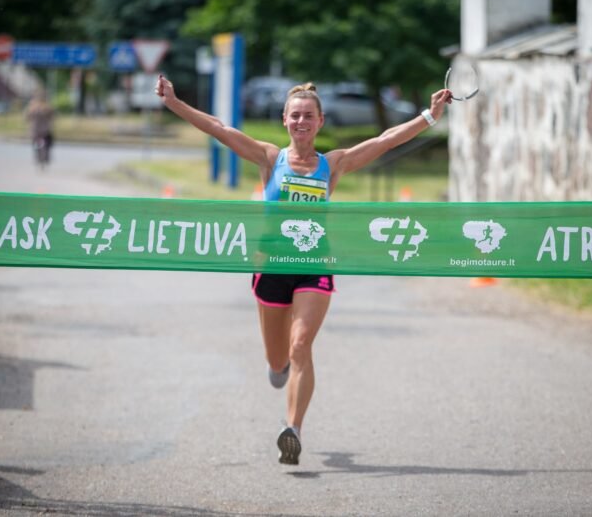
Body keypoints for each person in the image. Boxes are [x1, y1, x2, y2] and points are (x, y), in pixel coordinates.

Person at [155, 74, 452, 465]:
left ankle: (292, 430)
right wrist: (174, 103)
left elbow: (384, 141)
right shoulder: (268, 158)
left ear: (320, 121)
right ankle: (277, 368)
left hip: (315, 265)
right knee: (278, 359)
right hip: (272, 267)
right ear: (284, 120)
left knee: (301, 345)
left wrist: (429, 117)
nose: (301, 122)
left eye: (308, 116)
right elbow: (220, 129)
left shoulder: (333, 164)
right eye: (294, 115)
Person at [25, 88, 55, 167]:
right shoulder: (47, 106)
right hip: (45, 130)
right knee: (48, 142)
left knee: (35, 141)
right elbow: (52, 116)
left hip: (35, 130)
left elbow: (27, 117)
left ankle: (38, 155)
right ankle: (45, 156)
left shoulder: (32, 106)